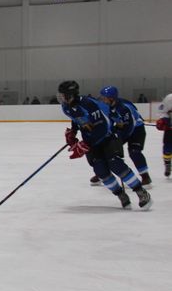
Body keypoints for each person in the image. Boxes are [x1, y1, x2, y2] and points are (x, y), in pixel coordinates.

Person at [57, 80, 150, 209]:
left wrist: (85, 143)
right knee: (101, 171)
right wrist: (73, 132)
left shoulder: (88, 104)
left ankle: (141, 191)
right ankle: (120, 194)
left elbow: (102, 128)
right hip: (91, 141)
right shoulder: (66, 107)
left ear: (71, 95)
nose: (61, 98)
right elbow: (76, 118)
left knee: (116, 164)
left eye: (63, 95)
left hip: (108, 137)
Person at [90, 86, 150, 186]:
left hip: (136, 129)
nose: (102, 100)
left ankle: (145, 176)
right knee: (106, 150)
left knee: (134, 152)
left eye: (104, 98)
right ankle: (103, 173)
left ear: (111, 98)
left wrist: (118, 139)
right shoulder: (105, 106)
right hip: (122, 129)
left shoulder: (123, 108)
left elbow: (129, 127)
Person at [155, 93, 172, 178]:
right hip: (170, 131)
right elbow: (161, 111)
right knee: (167, 149)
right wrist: (164, 120)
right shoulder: (169, 98)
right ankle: (167, 164)